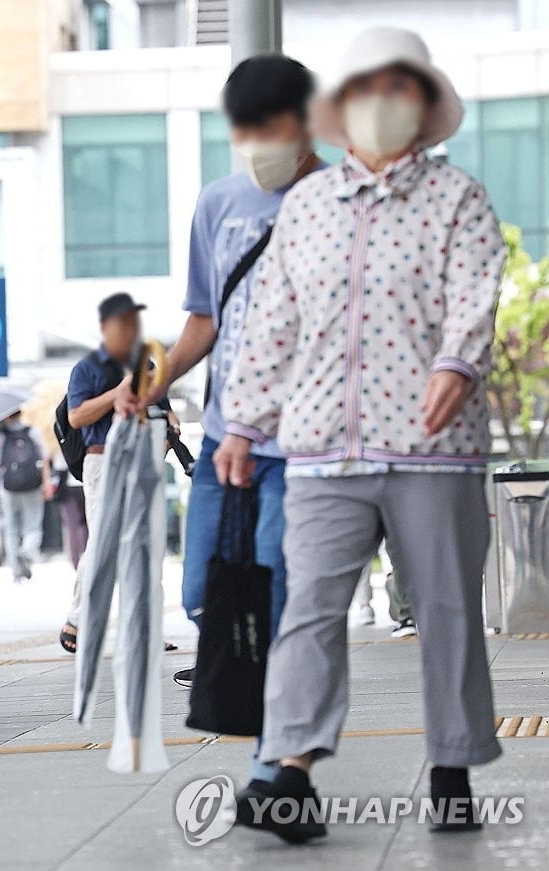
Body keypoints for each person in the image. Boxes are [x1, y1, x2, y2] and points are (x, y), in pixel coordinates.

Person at [218, 28, 504, 842]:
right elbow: (272, 324)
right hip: (320, 447)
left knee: (446, 609)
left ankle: (451, 767)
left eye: (398, 86)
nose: (381, 101)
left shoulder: (460, 199)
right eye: (365, 87)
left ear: (422, 103)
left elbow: (475, 294)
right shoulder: (306, 207)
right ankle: (289, 776)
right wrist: (244, 422)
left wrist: (458, 362)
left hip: (431, 446)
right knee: (308, 609)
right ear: (338, 109)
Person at [121, 55, 321, 701]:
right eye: (247, 129)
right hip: (222, 438)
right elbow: (203, 320)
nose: (259, 143)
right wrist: (155, 375)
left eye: (272, 126)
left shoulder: (337, 199)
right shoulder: (219, 202)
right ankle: (270, 686)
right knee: (202, 592)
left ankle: (278, 716)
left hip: (300, 439)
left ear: (305, 122)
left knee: (274, 575)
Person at [58, 293, 140, 652]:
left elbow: (161, 406)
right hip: (101, 460)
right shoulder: (88, 368)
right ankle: (78, 618)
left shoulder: (142, 364)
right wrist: (117, 394)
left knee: (141, 544)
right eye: (123, 323)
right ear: (105, 328)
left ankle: (143, 628)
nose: (131, 330)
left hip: (139, 462)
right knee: (104, 542)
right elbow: (76, 416)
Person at [0, 411, 52, 580]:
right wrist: (46, 483)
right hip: (32, 485)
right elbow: (44, 459)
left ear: (6, 417)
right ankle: (27, 551)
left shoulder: (0, 436)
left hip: (7, 488)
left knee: (10, 527)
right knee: (33, 523)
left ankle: (16, 569)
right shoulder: (33, 431)